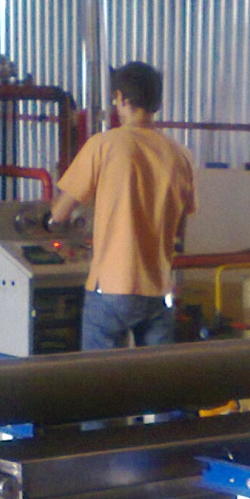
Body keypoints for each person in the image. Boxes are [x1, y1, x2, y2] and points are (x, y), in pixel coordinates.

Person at [47, 61, 196, 350]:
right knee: (157, 376)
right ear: (156, 101)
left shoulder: (104, 145)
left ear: (122, 98)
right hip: (159, 289)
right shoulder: (180, 155)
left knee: (100, 375)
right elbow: (181, 222)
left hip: (111, 288)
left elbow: (60, 212)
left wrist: (52, 220)